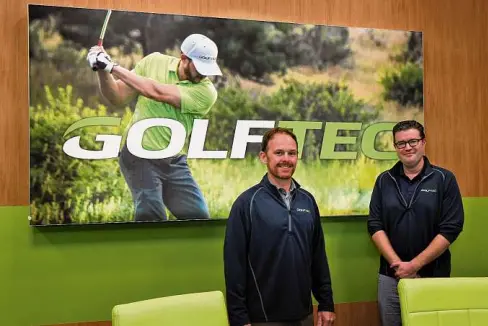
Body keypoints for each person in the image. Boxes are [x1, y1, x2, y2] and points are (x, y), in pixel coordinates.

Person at [86, 33, 222, 222]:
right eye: (199, 68)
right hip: (138, 154)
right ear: (184, 58)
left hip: (173, 161)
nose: (203, 74)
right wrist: (101, 69)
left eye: (207, 69)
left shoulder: (206, 92)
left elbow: (155, 91)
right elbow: (116, 96)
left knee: (198, 217)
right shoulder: (153, 62)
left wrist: (111, 66)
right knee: (151, 214)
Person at [223, 127, 336, 326]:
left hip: (304, 315)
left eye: (291, 153)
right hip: (263, 318)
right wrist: (239, 318)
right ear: (263, 157)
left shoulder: (307, 201)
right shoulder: (246, 203)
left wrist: (326, 303)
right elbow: (234, 265)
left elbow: (318, 257)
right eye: (279, 153)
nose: (286, 159)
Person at [367, 120, 464, 326]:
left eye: (413, 141)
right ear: (395, 147)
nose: (407, 147)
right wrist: (400, 267)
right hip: (390, 276)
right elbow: (375, 225)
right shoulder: (384, 180)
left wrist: (414, 266)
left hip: (433, 276)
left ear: (424, 142)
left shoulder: (444, 179)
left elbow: (451, 228)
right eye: (401, 143)